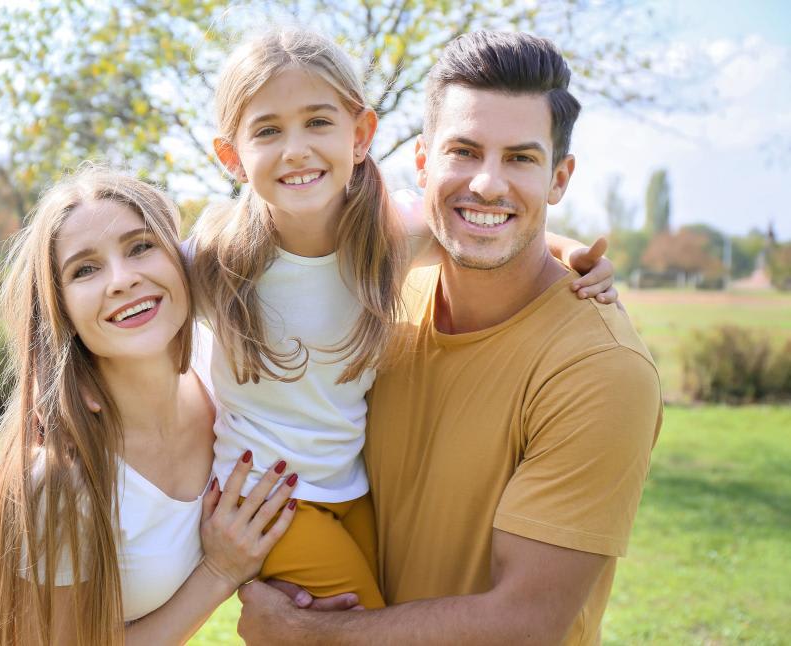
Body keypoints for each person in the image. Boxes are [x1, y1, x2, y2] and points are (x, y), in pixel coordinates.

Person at [236, 31, 663, 645]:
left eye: (520, 158)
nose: (488, 184)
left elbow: (526, 621)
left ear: (560, 178)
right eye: (464, 151)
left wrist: (308, 634)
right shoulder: (383, 296)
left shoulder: (600, 369)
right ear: (421, 161)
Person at [0, 166, 300, 646]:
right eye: (85, 269)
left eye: (141, 246)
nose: (122, 280)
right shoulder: (62, 477)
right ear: (62, 310)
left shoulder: (222, 369)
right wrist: (219, 571)